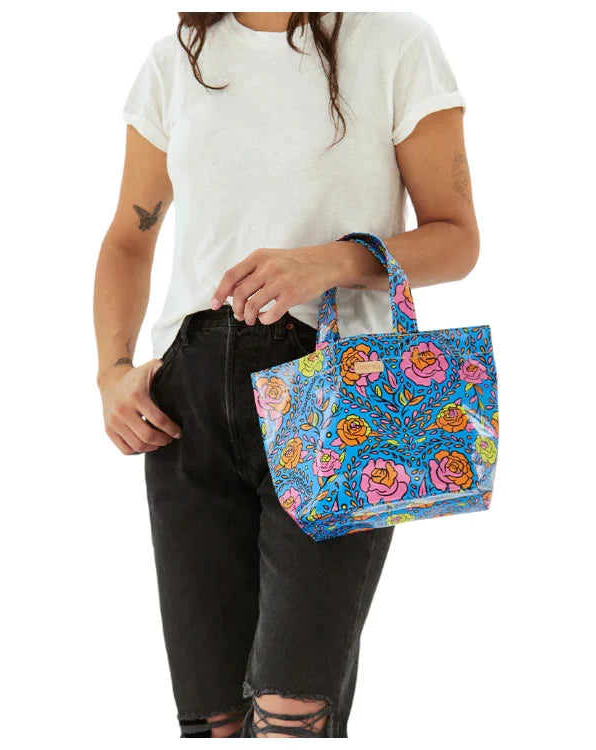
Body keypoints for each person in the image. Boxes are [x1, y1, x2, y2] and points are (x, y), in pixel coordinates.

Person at [93, 11, 479, 738]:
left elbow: (457, 239)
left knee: (293, 715)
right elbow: (126, 240)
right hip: (187, 407)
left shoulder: (394, 44)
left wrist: (332, 260)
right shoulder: (177, 61)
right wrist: (112, 371)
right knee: (215, 723)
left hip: (339, 397)